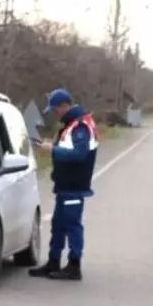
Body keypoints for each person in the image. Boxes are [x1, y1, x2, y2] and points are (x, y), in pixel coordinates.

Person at [30, 87, 98, 281]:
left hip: (75, 185)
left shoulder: (81, 126)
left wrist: (53, 149)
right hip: (65, 184)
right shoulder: (72, 124)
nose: (54, 113)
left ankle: (74, 265)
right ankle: (54, 261)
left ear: (64, 105)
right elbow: (68, 148)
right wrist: (54, 147)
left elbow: (79, 153)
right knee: (58, 224)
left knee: (72, 224)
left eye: (55, 109)